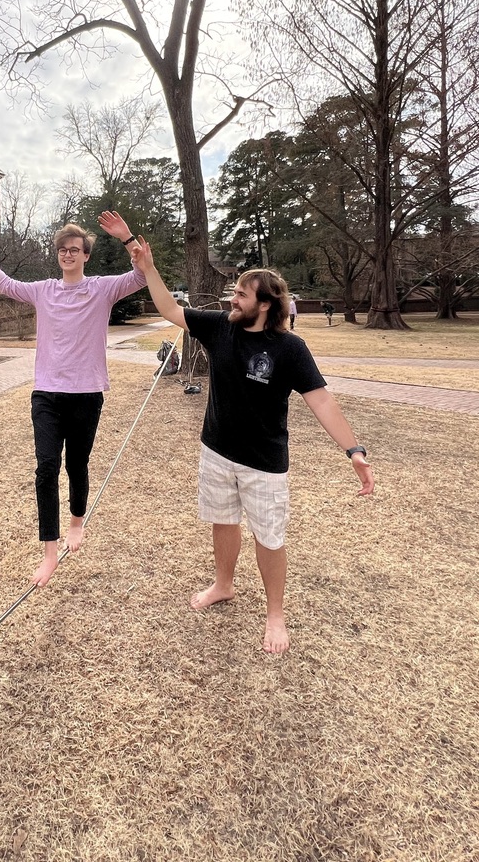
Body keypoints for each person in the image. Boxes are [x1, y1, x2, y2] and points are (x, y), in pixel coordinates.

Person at [131, 239, 374, 654]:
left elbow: (321, 399)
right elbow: (170, 310)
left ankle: (274, 614)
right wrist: (149, 268)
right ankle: (223, 585)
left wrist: (353, 451)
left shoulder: (289, 348)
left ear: (263, 304)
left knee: (269, 538)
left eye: (241, 293)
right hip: (216, 452)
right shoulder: (219, 326)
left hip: (264, 463)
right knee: (222, 522)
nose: (233, 297)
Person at [0, 213, 147, 587]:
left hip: (86, 392)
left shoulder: (102, 289)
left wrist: (127, 239)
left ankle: (77, 521)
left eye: (74, 250)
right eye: (62, 250)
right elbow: (4, 283)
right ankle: (49, 551)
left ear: (85, 255)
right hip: (46, 392)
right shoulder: (43, 289)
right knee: (46, 468)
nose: (67, 254)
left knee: (77, 465)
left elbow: (141, 277)